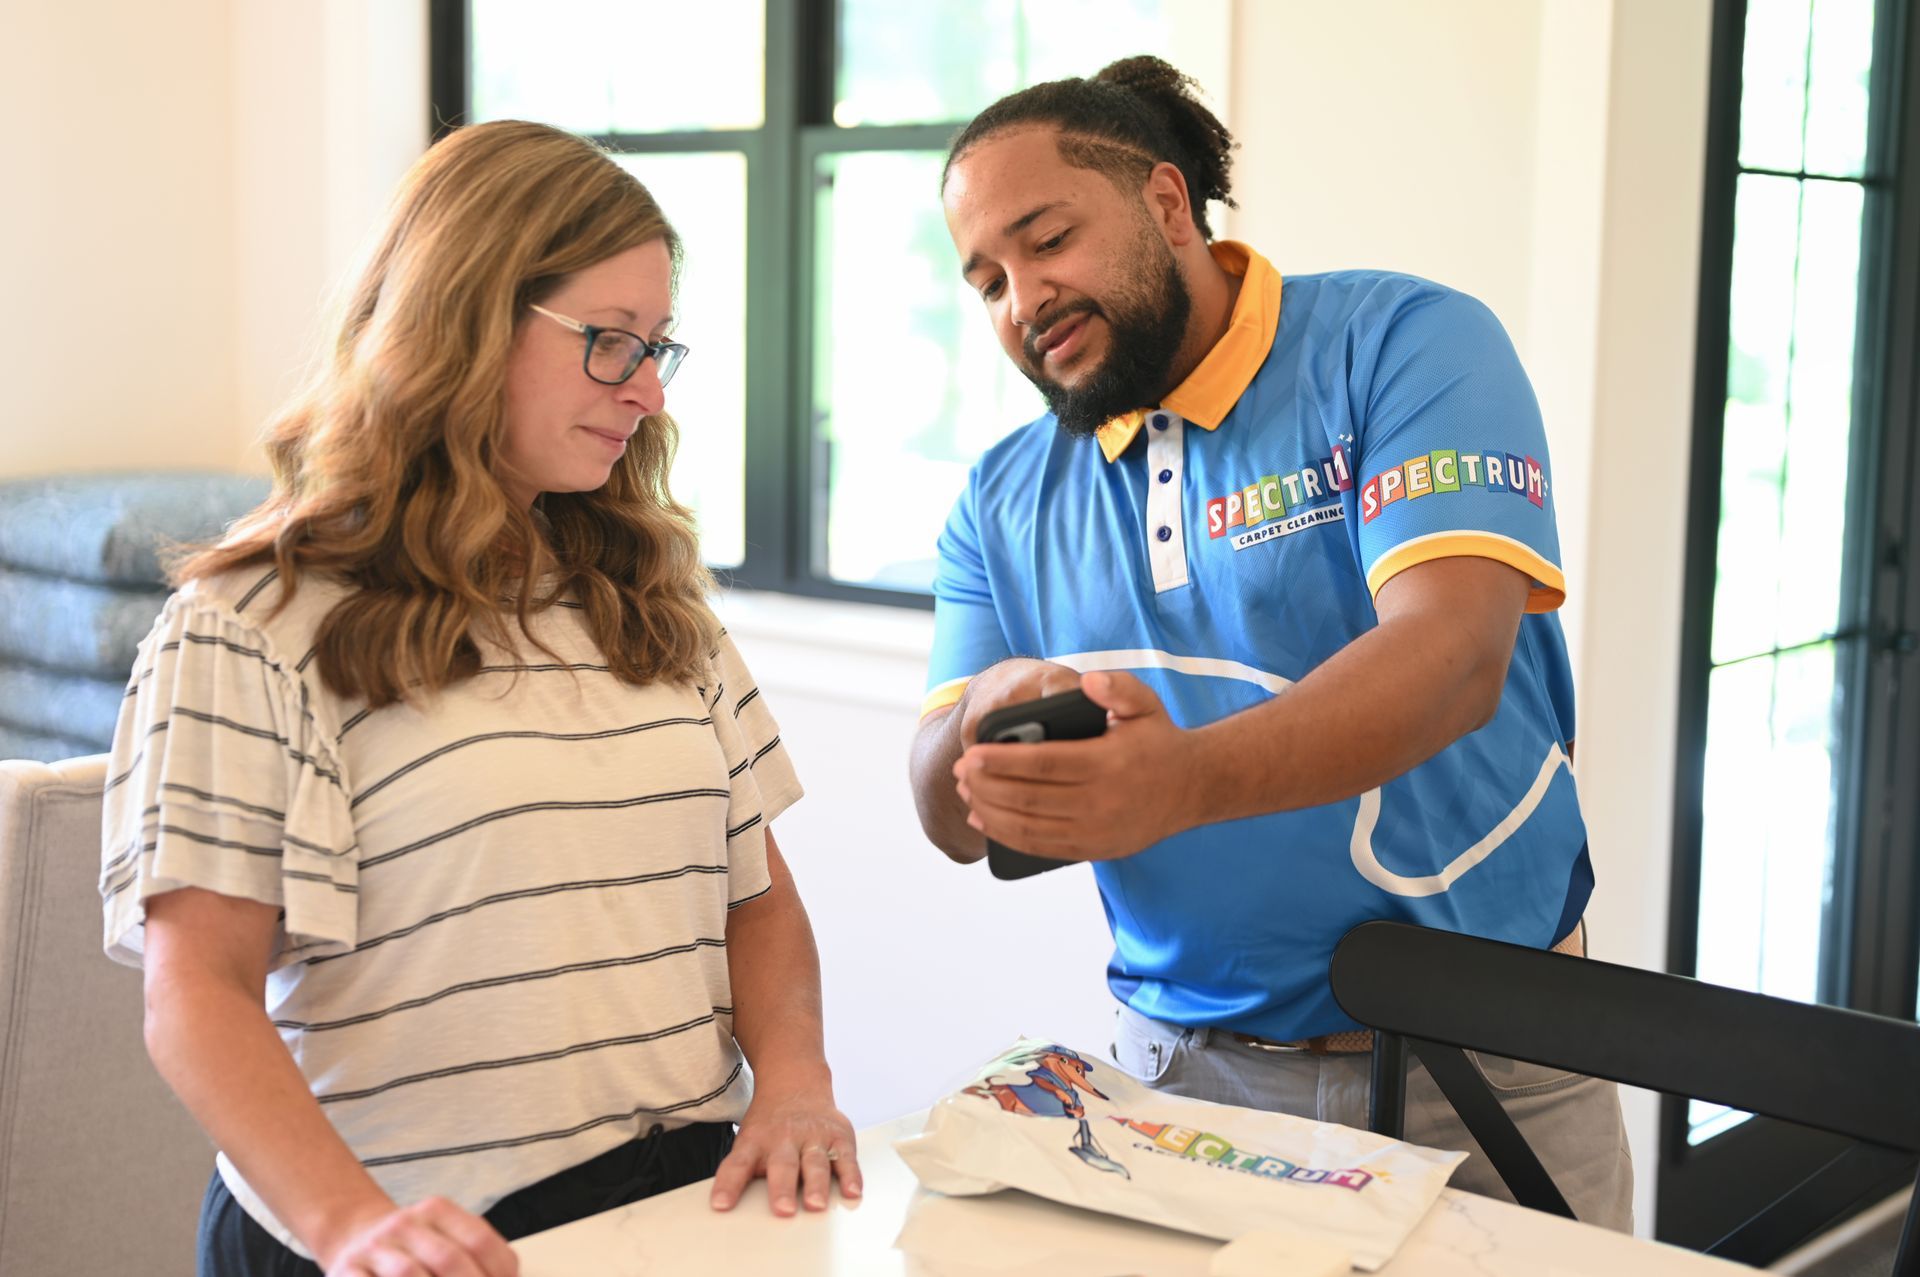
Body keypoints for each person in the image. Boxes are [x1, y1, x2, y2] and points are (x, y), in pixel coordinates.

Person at [101, 120, 860, 1277]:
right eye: (610, 342)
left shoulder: (654, 598)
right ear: (461, 319)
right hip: (407, 1243)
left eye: (659, 348)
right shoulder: (251, 624)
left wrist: (797, 1083)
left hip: (671, 1212)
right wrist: (357, 1225)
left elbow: (754, 898)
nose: (648, 392)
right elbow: (196, 990)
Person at [909, 56, 1632, 1228]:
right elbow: (943, 814)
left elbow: (1453, 655)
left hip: (1489, 1057)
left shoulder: (1407, 343)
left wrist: (1179, 781)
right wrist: (983, 720)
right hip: (1181, 1081)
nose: (1021, 298)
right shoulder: (999, 498)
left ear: (1164, 203)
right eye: (985, 278)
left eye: (1047, 241)